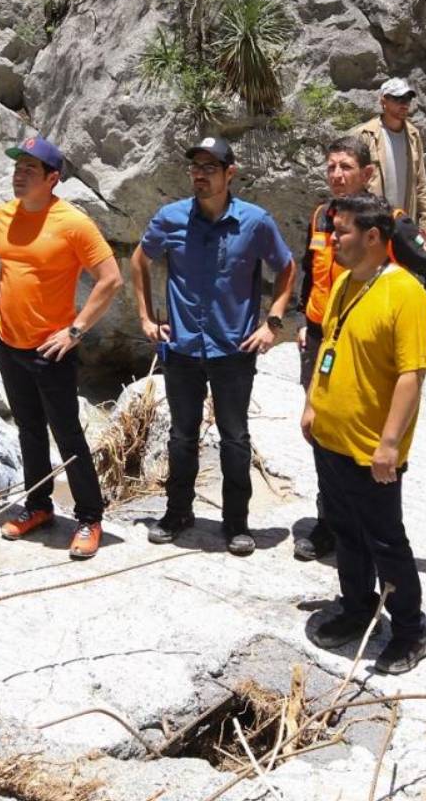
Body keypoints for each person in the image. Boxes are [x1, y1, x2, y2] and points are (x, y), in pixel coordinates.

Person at [130, 136, 296, 556]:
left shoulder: (255, 222)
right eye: (195, 167)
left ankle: (236, 523)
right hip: (183, 348)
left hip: (233, 350)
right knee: (182, 436)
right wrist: (147, 318)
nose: (200, 175)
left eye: (210, 167)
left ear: (229, 173)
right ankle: (177, 512)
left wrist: (271, 324)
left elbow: (287, 267)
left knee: (235, 437)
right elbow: (139, 260)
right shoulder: (171, 218)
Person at [0, 135, 123, 559]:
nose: (19, 175)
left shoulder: (72, 223)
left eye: (29, 170)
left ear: (52, 178)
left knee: (68, 433)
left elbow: (110, 279)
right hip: (9, 342)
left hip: (51, 349)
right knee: (28, 429)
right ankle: (39, 507)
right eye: (18, 167)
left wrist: (75, 330)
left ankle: (90, 518)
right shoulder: (2, 217)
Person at [300, 195, 426, 674]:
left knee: (385, 542)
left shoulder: (406, 294)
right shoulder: (343, 284)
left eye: (344, 231)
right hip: (332, 441)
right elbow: (327, 347)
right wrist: (313, 403)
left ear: (374, 237)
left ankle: (410, 631)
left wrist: (390, 444)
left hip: (372, 451)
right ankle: (358, 609)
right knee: (346, 534)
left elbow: (411, 375)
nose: (333, 238)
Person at [294, 135, 374, 562]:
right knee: (319, 430)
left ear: (367, 174)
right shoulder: (321, 216)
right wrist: (304, 322)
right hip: (319, 335)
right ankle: (329, 521)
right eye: (331, 167)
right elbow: (311, 272)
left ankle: (364, 522)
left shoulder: (380, 220)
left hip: (359, 341)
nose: (337, 175)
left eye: (346, 167)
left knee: (358, 430)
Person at [353, 77, 426, 238]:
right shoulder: (365, 135)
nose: (404, 103)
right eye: (397, 98)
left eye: (408, 98)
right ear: (383, 101)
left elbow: (421, 182)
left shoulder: (413, 135)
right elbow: (354, 183)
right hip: (373, 225)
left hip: (404, 224)